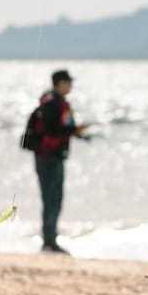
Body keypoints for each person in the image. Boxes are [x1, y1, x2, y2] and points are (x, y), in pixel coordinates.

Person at [31, 69, 90, 253]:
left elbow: (63, 128)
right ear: (60, 83)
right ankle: (49, 241)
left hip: (53, 156)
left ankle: (50, 239)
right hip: (48, 157)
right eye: (68, 82)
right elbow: (53, 130)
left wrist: (77, 133)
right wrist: (73, 132)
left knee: (53, 199)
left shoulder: (59, 102)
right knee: (51, 199)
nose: (71, 85)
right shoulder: (52, 103)